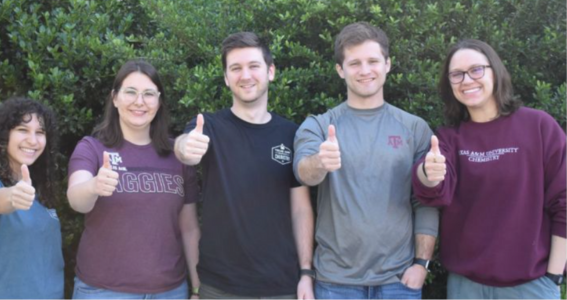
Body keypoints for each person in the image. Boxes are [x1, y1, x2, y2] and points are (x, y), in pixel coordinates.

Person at [293, 22, 439, 299]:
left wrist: (422, 264)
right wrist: (320, 162)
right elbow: (304, 173)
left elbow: (426, 201)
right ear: (340, 70)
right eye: (354, 63)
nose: (364, 70)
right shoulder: (320, 126)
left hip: (399, 282)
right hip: (335, 282)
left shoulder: (415, 128)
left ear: (387, 64)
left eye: (373, 61)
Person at [413, 39, 566, 299]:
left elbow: (564, 201)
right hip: (466, 287)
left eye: (476, 69)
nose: (467, 80)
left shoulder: (539, 126)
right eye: (457, 74)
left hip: (531, 286)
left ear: (495, 71)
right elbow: (434, 190)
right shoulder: (450, 138)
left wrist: (554, 275)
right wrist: (428, 174)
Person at [174, 32, 315, 299]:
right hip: (218, 287)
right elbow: (185, 148)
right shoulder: (209, 126)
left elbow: (300, 209)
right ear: (227, 78)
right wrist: (186, 146)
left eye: (253, 66)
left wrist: (306, 273)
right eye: (235, 68)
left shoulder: (291, 133)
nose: (245, 75)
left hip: (281, 286)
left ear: (270, 71)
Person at [67, 60, 200, 299]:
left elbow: (189, 228)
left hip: (170, 291)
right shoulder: (92, 148)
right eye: (130, 92)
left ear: (159, 103)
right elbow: (77, 199)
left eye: (149, 94)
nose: (139, 101)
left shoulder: (177, 155)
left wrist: (197, 288)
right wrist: (93, 186)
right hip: (104, 291)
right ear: (115, 98)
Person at [0, 97, 64, 298]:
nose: (33, 140)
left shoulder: (41, 191)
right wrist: (12, 196)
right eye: (22, 130)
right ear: (4, 136)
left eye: (40, 132)